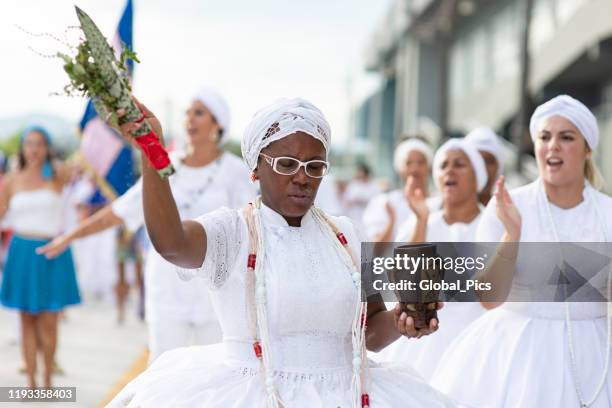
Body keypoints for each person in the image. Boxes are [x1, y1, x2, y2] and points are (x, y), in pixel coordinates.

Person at [108, 97, 456, 407]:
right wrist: (151, 150)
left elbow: (370, 335)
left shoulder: (346, 234)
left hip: (352, 393)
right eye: (287, 164)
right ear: (256, 169)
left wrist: (401, 321)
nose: (302, 178)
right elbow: (172, 244)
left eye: (315, 167)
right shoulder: (233, 230)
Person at [39, 88, 256, 363]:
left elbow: (255, 224)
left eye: (199, 113)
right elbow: (121, 211)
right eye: (187, 112)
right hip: (166, 290)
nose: (190, 119)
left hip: (217, 294)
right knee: (164, 371)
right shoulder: (165, 164)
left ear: (218, 124)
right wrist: (69, 237)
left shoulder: (235, 171)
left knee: (216, 375)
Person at [431, 95, 612, 407]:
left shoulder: (607, 213)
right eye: (544, 137)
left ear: (587, 149)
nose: (553, 146)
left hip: (593, 351)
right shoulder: (508, 205)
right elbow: (489, 298)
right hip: (515, 353)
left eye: (566, 137)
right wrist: (511, 234)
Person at [373, 139, 487, 379]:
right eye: (444, 165)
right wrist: (422, 220)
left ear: (478, 176)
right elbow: (403, 282)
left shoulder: (492, 223)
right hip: (424, 337)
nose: (450, 171)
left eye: (459, 164)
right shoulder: (422, 220)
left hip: (478, 340)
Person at [0, 125, 80, 388]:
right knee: (26, 320)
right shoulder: (11, 181)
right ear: (23, 148)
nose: (33, 149)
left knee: (49, 322)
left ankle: (48, 382)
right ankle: (31, 384)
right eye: (29, 144)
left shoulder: (58, 175)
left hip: (51, 251)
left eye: (39, 144)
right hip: (21, 252)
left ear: (47, 148)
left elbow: (83, 164)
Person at [362, 137, 439, 242]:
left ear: (430, 167)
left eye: (421, 162)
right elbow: (371, 252)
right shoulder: (384, 202)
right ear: (400, 168)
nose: (415, 169)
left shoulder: (441, 203)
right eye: (408, 163)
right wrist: (391, 222)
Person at [465, 127, 505, 205]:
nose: (483, 167)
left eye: (489, 161)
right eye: (477, 160)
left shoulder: (508, 213)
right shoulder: (436, 210)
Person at [342, 163, 381, 229]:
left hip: (369, 217)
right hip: (354, 216)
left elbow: (377, 201)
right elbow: (347, 200)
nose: (358, 174)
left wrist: (363, 200)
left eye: (360, 172)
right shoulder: (354, 184)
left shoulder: (374, 185)